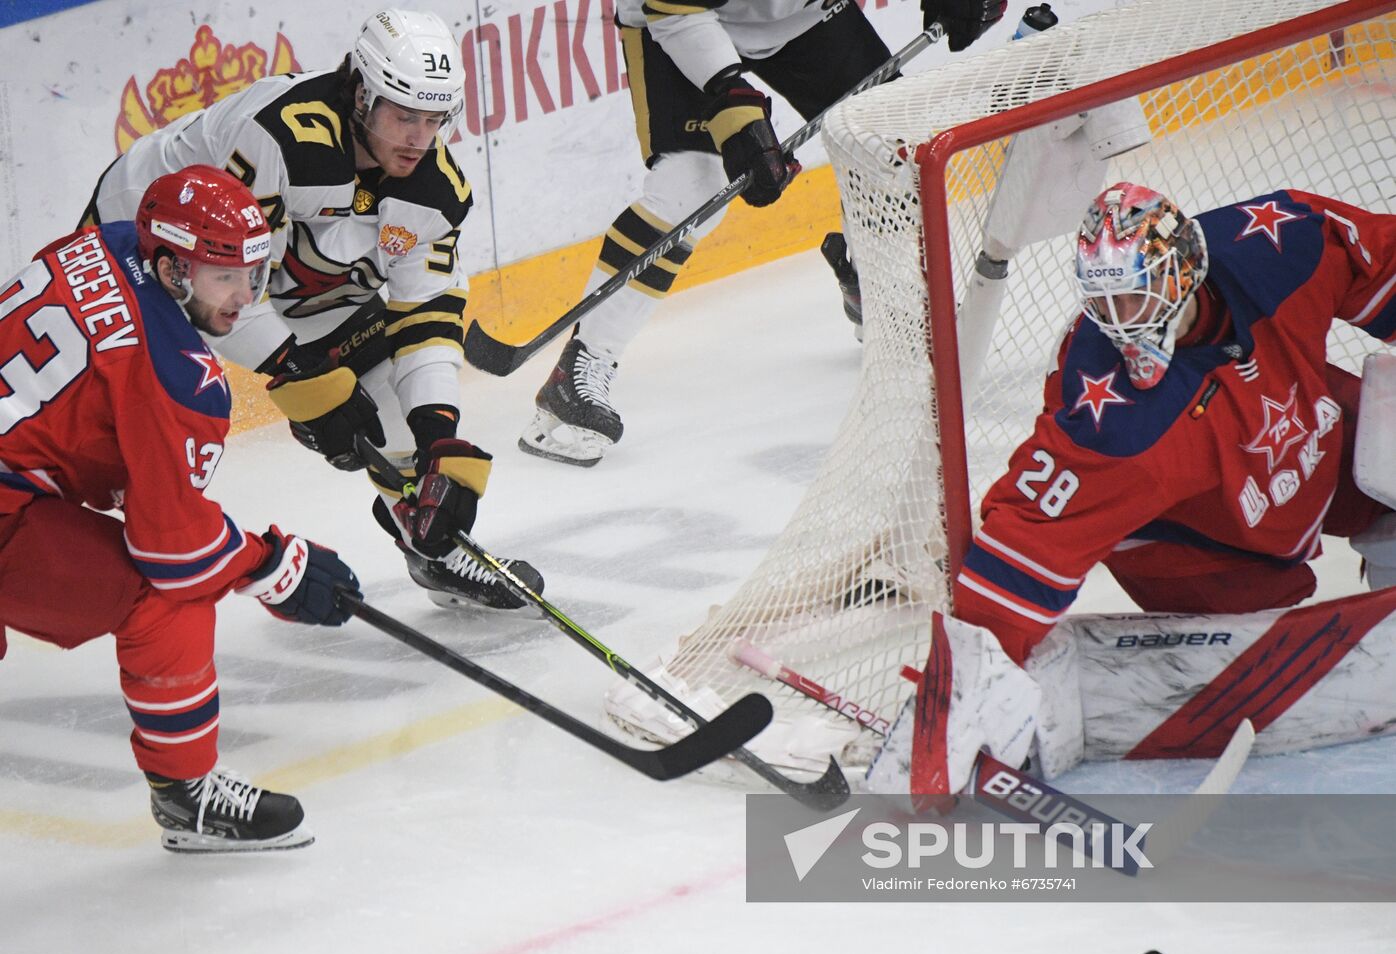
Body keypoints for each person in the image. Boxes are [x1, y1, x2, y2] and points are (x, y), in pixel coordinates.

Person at [81, 9, 543, 611]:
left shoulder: (437, 190)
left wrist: (439, 435)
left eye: (435, 120)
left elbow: (425, 315)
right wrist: (297, 374)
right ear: (361, 93)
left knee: (391, 407)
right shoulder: (280, 140)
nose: (418, 138)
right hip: (146, 241)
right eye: (403, 115)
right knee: (120, 429)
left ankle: (434, 548)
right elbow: (218, 283)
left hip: (271, 269)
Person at [0, 165, 363, 852]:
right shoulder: (175, 375)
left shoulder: (102, 243)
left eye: (251, 273)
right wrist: (271, 565)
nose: (244, 296)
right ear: (169, 268)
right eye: (222, 276)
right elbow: (176, 555)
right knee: (158, 601)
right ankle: (188, 795)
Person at [517, 0, 1007, 467]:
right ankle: (581, 368)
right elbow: (672, 9)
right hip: (681, 17)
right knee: (690, 188)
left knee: (891, 147)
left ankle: (877, 292)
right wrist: (731, 104)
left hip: (805, 12)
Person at [954, 182, 1396, 666]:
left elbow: (1377, 262)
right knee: (1265, 663)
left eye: (1135, 295)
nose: (1122, 321)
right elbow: (1023, 547)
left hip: (1298, 415)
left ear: (1183, 268)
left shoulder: (1280, 244)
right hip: (1191, 529)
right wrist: (972, 681)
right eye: (1106, 300)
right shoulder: (1113, 424)